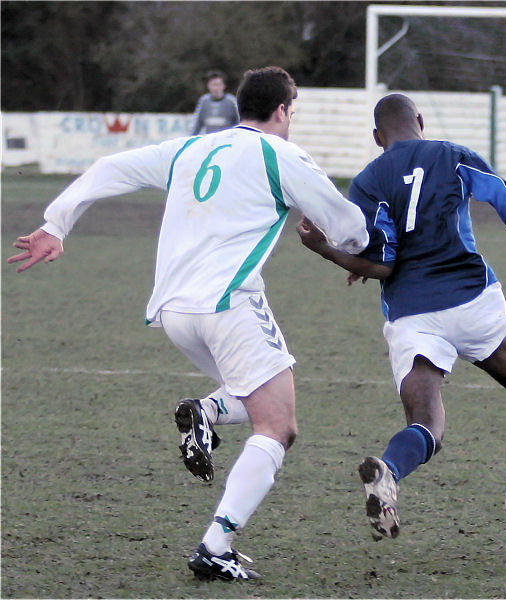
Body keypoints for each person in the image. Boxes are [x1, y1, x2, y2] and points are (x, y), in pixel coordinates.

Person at [8, 66, 369, 582]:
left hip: (175, 312)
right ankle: (216, 546)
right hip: (228, 304)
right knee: (279, 425)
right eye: (293, 110)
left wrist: (55, 224)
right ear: (284, 110)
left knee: (261, 396)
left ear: (239, 105)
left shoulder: (188, 149)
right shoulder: (282, 155)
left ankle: (204, 411)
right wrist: (359, 253)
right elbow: (350, 228)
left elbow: (110, 166)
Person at [297, 93, 506, 550]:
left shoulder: (368, 181)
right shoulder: (452, 156)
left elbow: (382, 264)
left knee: (426, 424)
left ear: (378, 138)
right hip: (472, 300)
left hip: (411, 314)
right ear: (421, 121)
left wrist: (326, 252)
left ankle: (390, 471)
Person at [189, 69, 240, 135]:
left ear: (224, 86)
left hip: (227, 141)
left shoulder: (231, 101)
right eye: (213, 85)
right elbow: (196, 124)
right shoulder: (204, 101)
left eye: (218, 84)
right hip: (209, 141)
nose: (216, 88)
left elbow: (239, 122)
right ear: (208, 86)